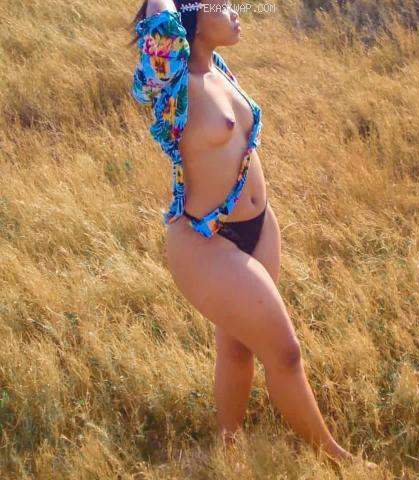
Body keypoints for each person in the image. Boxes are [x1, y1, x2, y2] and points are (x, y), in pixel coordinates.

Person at [130, 0, 378, 470]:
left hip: (259, 227)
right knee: (285, 353)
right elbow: (160, 25)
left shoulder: (218, 69)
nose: (234, 10)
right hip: (207, 243)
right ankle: (337, 460)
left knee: (238, 346)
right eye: (219, 5)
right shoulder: (172, 83)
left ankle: (228, 453)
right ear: (189, 20)